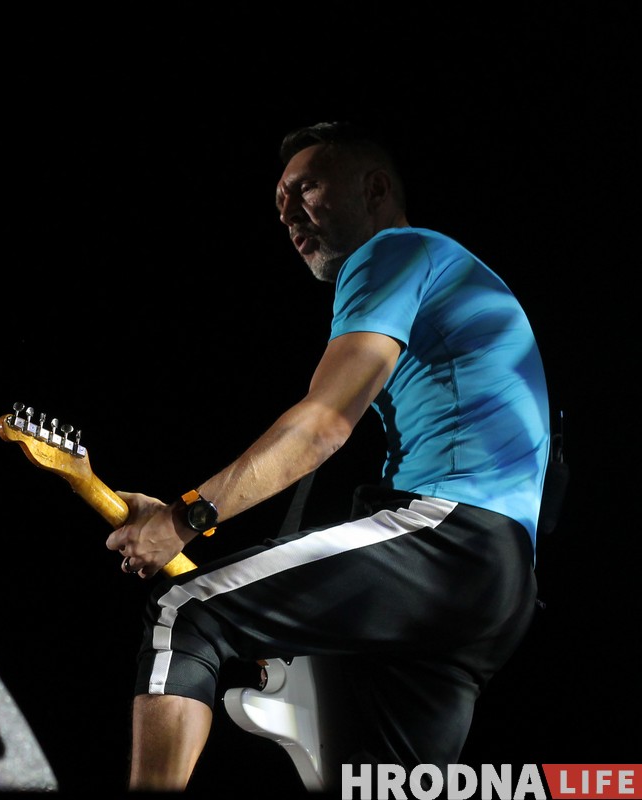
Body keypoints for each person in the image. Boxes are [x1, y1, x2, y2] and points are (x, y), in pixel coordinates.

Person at [105, 121, 550, 790]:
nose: (287, 212)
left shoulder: (393, 251)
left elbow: (321, 427)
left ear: (374, 189)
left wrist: (183, 518)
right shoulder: (449, 273)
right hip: (498, 584)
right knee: (369, 779)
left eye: (306, 188)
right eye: (279, 201)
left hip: (451, 539)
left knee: (186, 610)